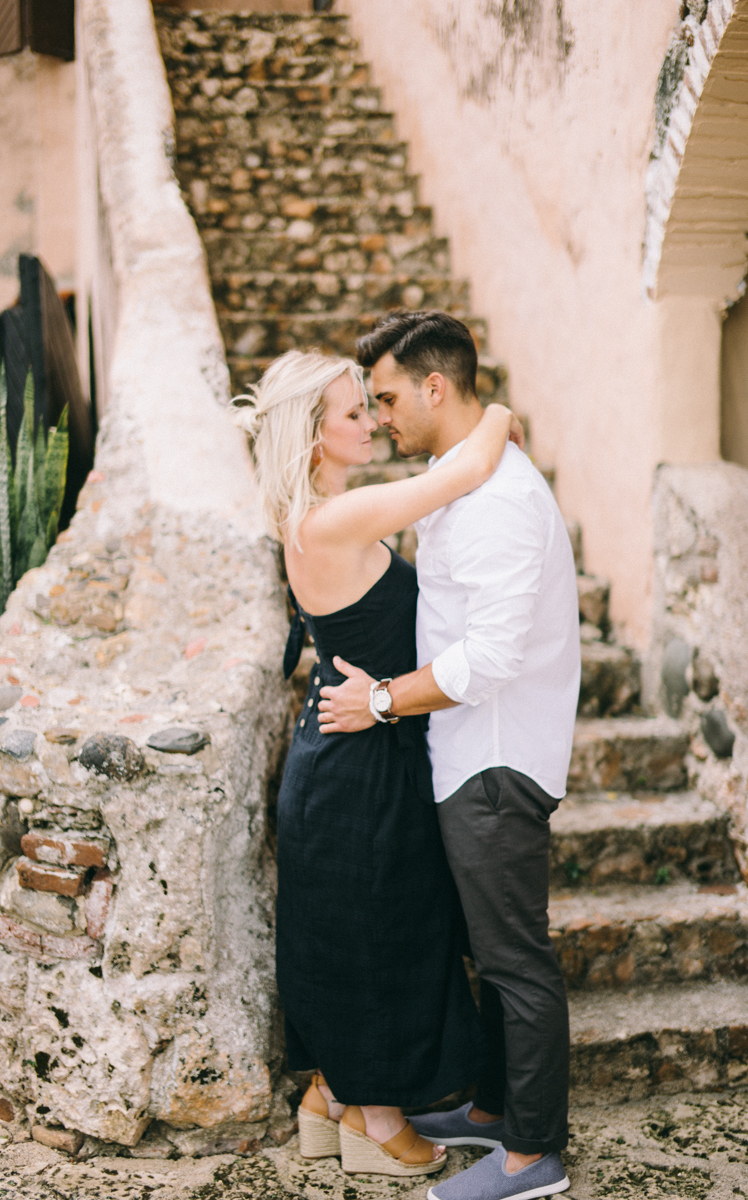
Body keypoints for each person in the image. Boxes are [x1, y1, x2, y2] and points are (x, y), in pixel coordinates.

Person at [229, 348, 523, 1179]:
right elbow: (464, 469)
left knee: (356, 933)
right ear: (313, 436)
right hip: (359, 768)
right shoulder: (332, 518)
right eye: (354, 413)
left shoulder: (321, 514)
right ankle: (379, 1123)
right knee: (382, 939)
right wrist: (496, 414)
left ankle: (329, 1099)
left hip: (359, 751)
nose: (374, 422)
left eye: (370, 407)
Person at [317, 310, 581, 1200]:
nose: (381, 414)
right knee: (486, 950)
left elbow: (494, 657)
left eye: (388, 396)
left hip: (498, 763)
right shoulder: (458, 475)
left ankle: (533, 1157)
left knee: (516, 961)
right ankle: (490, 1117)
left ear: (436, 386)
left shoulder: (502, 500)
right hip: (465, 754)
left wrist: (382, 700)